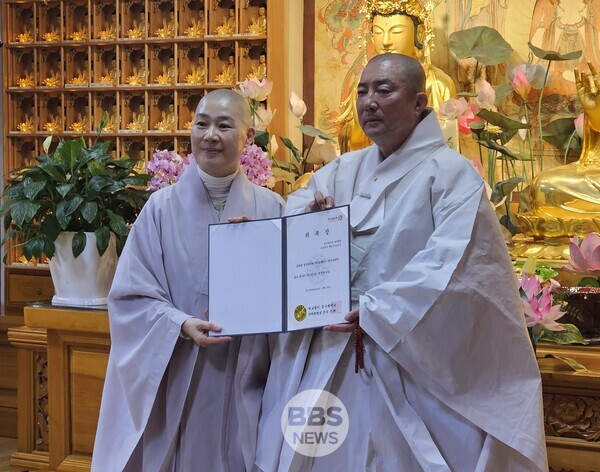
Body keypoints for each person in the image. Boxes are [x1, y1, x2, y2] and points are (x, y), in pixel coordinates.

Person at [254, 54, 547, 471]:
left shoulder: (451, 174)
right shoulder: (342, 170)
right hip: (331, 344)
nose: (368, 101)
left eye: (384, 89)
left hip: (410, 353)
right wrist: (304, 222)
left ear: (419, 102)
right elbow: (290, 223)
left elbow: (456, 265)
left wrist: (378, 310)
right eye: (362, 91)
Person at [92, 89, 284, 471]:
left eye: (224, 125)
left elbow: (291, 289)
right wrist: (179, 323)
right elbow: (131, 296)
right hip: (178, 364)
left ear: (247, 137)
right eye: (202, 123)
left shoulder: (273, 208)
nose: (210, 134)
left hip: (248, 367)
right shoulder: (159, 210)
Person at [338, 0, 456, 152]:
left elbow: (449, 141)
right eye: (378, 32)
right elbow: (351, 144)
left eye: (397, 31)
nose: (386, 41)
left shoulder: (438, 84)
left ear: (419, 33)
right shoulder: (361, 83)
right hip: (370, 168)